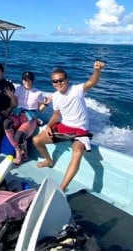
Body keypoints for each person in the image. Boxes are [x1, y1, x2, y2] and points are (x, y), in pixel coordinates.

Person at [32, 61, 106, 191]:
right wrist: (49, 126)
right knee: (36, 140)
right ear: (52, 83)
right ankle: (49, 161)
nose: (58, 83)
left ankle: (62, 188)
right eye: (55, 81)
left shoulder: (77, 90)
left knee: (77, 152)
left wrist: (97, 71)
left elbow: (92, 82)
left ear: (67, 80)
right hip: (64, 127)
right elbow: (56, 115)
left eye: (61, 80)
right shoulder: (55, 96)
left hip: (79, 130)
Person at [4, 71, 50, 165]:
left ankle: (24, 155)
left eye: (29, 80)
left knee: (19, 135)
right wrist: (12, 97)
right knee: (6, 123)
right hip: (18, 115)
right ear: (22, 80)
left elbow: (40, 109)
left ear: (32, 81)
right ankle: (18, 150)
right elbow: (15, 105)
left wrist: (45, 103)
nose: (27, 82)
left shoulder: (38, 93)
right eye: (25, 79)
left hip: (30, 117)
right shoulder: (18, 89)